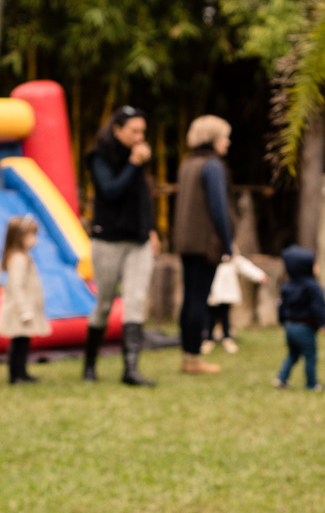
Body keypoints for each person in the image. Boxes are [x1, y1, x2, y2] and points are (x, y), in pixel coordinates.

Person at [83, 105, 159, 386]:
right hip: (108, 240)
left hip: (138, 240)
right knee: (104, 303)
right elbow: (111, 190)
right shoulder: (98, 156)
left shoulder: (138, 157)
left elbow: (142, 195)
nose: (140, 137)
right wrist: (134, 163)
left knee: (135, 300)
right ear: (117, 130)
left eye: (143, 132)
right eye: (134, 131)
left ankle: (131, 369)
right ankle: (90, 365)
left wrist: (151, 229)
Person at [172, 115, 235, 374]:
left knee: (189, 299)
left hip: (186, 242)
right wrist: (228, 243)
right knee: (199, 300)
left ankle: (187, 356)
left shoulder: (188, 163)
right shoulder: (212, 166)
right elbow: (219, 208)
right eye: (225, 137)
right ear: (213, 138)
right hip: (205, 243)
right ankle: (195, 358)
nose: (227, 142)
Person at [0, 215, 51, 384]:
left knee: (23, 342)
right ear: (20, 237)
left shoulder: (23, 257)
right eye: (32, 236)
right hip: (19, 310)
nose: (35, 240)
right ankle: (16, 375)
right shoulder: (18, 259)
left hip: (23, 309)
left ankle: (22, 373)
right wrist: (24, 310)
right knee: (19, 344)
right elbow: (16, 286)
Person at [273, 245, 325, 391]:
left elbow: (281, 305)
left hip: (289, 327)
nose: (317, 267)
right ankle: (312, 384)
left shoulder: (286, 286)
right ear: (305, 267)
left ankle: (281, 379)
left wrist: (282, 321)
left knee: (293, 354)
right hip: (305, 328)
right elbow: (318, 307)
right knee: (310, 356)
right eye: (314, 264)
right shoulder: (312, 287)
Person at [202, 248, 268, 355]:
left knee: (225, 316)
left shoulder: (231, 255)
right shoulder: (210, 254)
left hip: (226, 292)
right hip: (212, 291)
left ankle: (227, 338)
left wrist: (259, 275)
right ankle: (208, 339)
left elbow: (245, 266)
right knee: (210, 316)